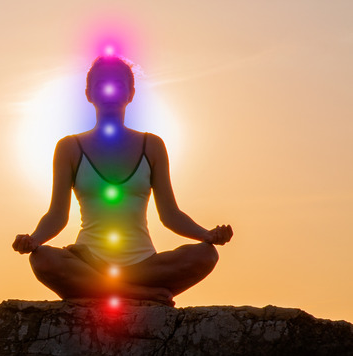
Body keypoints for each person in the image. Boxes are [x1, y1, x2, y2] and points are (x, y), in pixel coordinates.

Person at [12, 56, 233, 305]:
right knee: (42, 259)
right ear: (88, 93)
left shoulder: (153, 146)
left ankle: (108, 288)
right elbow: (57, 215)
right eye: (101, 84)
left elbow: (170, 215)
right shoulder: (69, 147)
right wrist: (34, 239)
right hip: (88, 262)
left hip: (142, 267)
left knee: (205, 256)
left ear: (131, 93)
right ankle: (136, 293)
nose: (110, 90)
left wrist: (208, 235)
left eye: (118, 84)